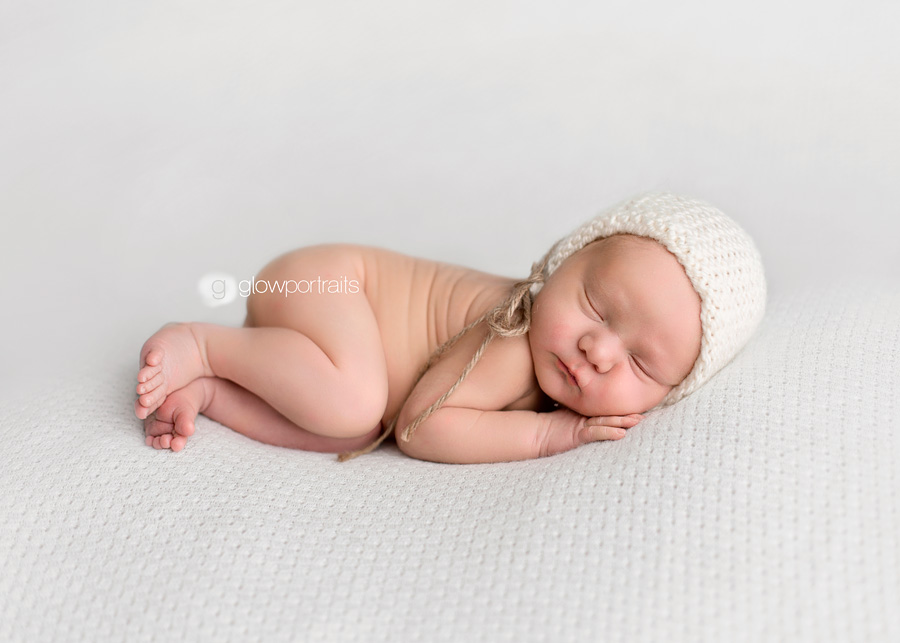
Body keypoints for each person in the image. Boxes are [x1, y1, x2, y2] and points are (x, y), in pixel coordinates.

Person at [134, 192, 766, 463]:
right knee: (354, 403)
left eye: (640, 365)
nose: (596, 349)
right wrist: (552, 436)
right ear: (561, 262)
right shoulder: (518, 338)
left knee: (351, 426)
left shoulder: (559, 354)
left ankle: (217, 387)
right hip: (322, 283)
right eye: (596, 308)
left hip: (318, 325)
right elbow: (421, 429)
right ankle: (201, 342)